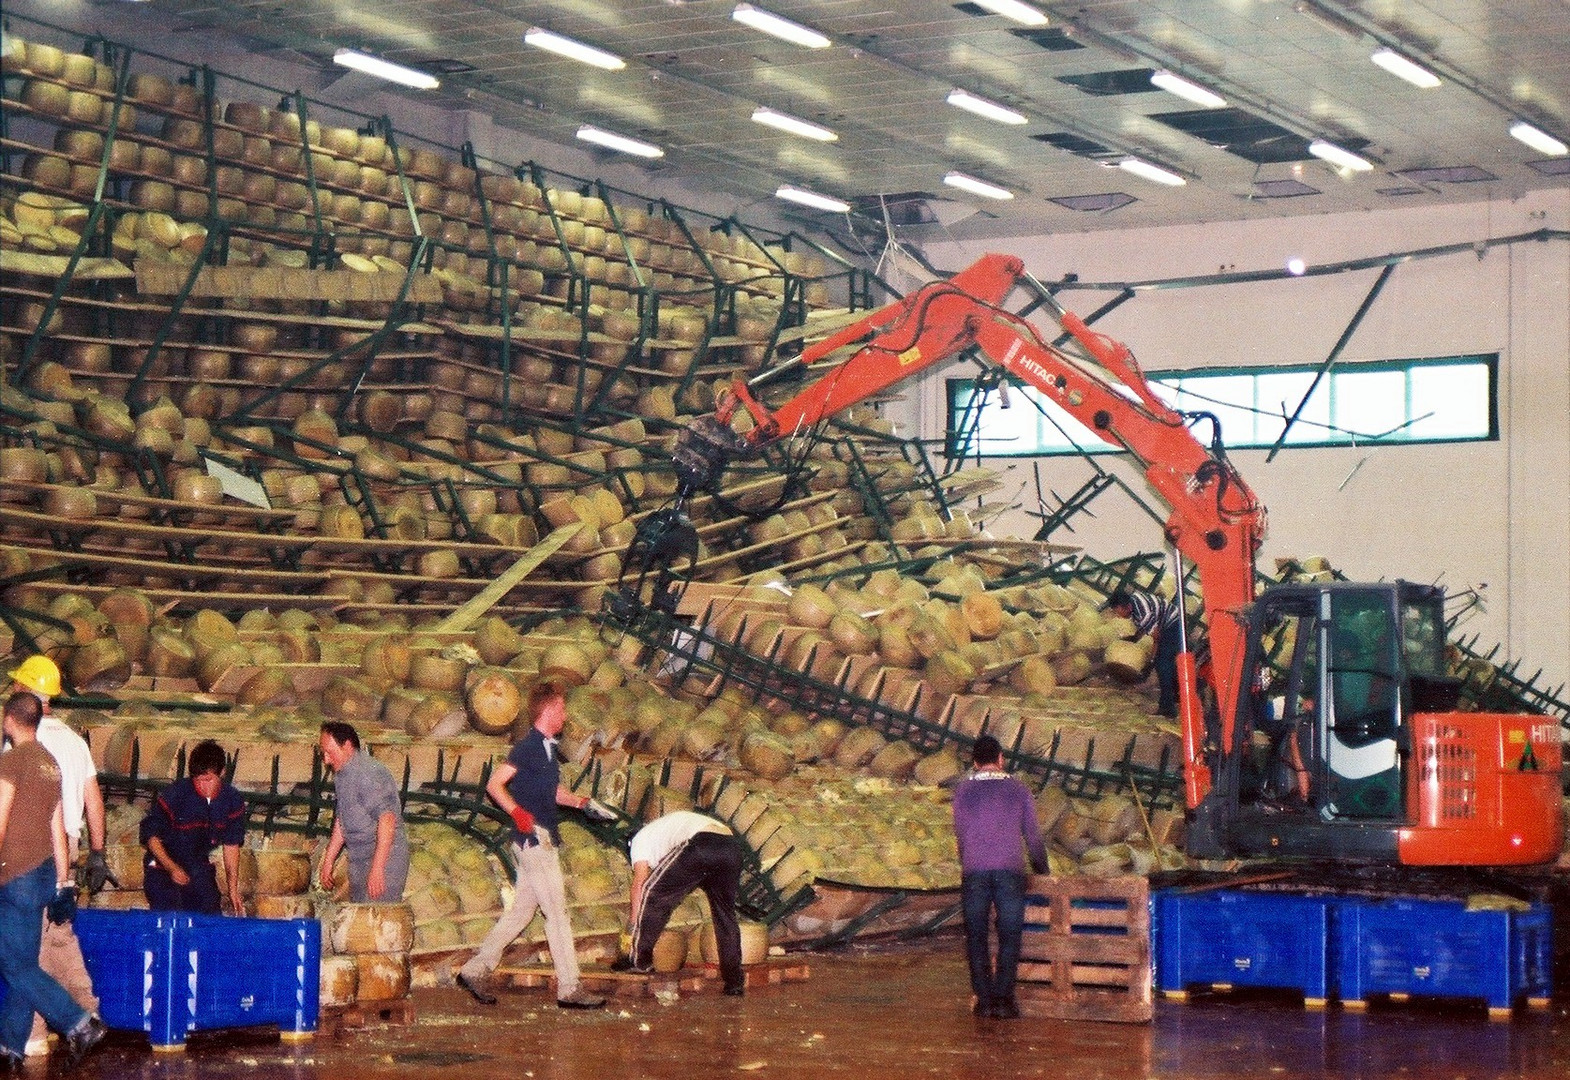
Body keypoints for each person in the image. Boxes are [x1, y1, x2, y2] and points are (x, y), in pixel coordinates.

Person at [456, 684, 611, 1011]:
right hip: (534, 839)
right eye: (563, 709)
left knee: (522, 913)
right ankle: (569, 987)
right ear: (550, 711)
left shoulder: (548, 749)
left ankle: (475, 968)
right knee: (557, 913)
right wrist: (516, 812)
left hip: (536, 838)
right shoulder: (527, 746)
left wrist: (582, 802)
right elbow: (494, 784)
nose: (566, 716)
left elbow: (553, 793)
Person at [0, 691, 106, 1072]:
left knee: (13, 965)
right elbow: (58, 827)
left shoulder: (11, 762)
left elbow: (0, 819)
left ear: (9, 719)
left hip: (14, 874)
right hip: (44, 872)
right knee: (23, 962)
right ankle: (12, 1048)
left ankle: (78, 1022)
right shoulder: (50, 763)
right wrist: (62, 880)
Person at [951, 734, 1048, 1021]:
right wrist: (1042, 870)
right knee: (1009, 935)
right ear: (1001, 758)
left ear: (974, 762)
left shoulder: (963, 791)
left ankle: (984, 1001)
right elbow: (1033, 836)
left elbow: (960, 834)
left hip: (974, 872)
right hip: (1010, 872)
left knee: (977, 937)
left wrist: (967, 862)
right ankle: (1004, 1000)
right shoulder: (1019, 790)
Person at [617, 809, 747, 996]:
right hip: (731, 848)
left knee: (651, 893)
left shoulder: (639, 841)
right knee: (725, 916)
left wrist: (632, 925)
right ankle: (734, 981)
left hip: (703, 843)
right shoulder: (661, 832)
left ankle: (639, 961)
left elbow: (640, 884)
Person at [139, 740, 247, 914]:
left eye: (209, 780)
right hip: (162, 865)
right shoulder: (175, 795)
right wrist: (172, 868)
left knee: (209, 913)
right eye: (198, 780)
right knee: (171, 916)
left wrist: (232, 889)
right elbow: (151, 837)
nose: (203, 786)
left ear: (222, 773)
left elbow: (231, 845)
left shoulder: (232, 800)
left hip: (197, 865)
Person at [317, 722, 409, 903]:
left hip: (384, 859)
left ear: (347, 746)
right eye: (323, 753)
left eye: (329, 752)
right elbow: (342, 819)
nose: (326, 760)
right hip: (359, 859)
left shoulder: (369, 773)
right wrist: (328, 860)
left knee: (375, 920)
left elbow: (387, 819)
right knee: (360, 918)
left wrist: (378, 869)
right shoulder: (342, 775)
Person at [1105, 588, 1183, 718]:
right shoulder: (1134, 604)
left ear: (1127, 607)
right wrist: (1135, 638)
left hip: (1173, 624)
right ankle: (1177, 694)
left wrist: (1151, 662)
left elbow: (1156, 638)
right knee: (1167, 663)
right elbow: (1144, 627)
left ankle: (1167, 708)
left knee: (1162, 664)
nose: (1118, 615)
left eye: (1118, 612)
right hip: (1168, 622)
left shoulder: (1143, 612)